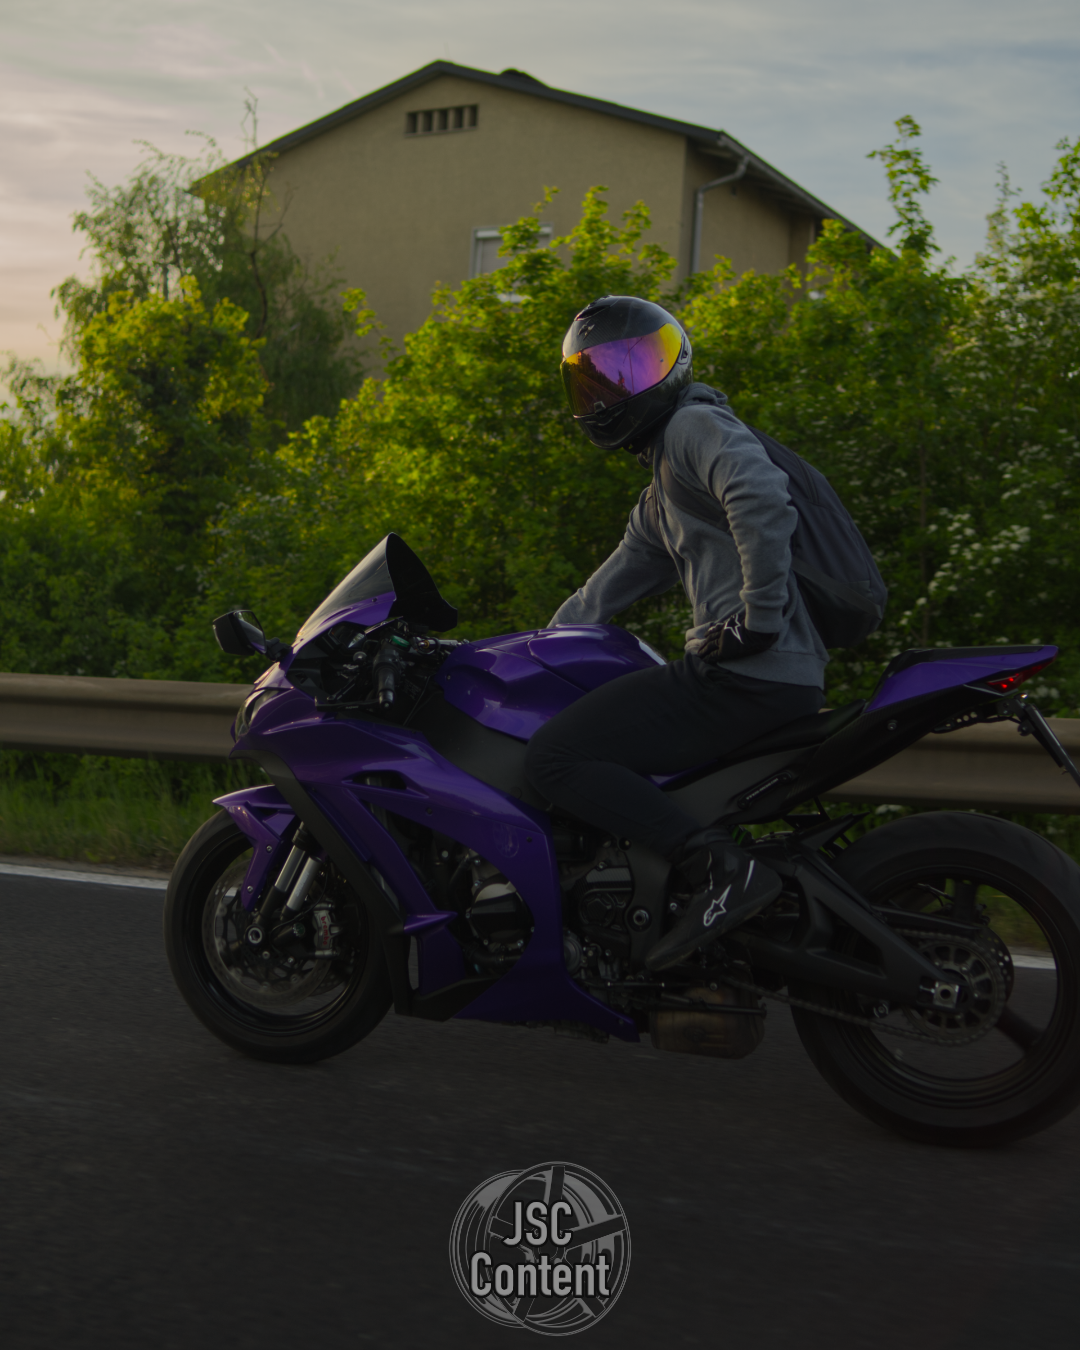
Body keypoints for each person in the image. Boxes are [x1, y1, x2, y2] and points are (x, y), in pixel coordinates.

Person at [524, 294, 828, 971]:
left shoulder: (693, 425)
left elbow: (761, 496)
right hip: (761, 675)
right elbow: (600, 594)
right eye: (596, 378)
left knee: (555, 758)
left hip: (744, 673)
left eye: (630, 369)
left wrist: (759, 619)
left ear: (673, 365)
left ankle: (718, 869)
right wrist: (523, 651)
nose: (612, 391)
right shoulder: (662, 491)